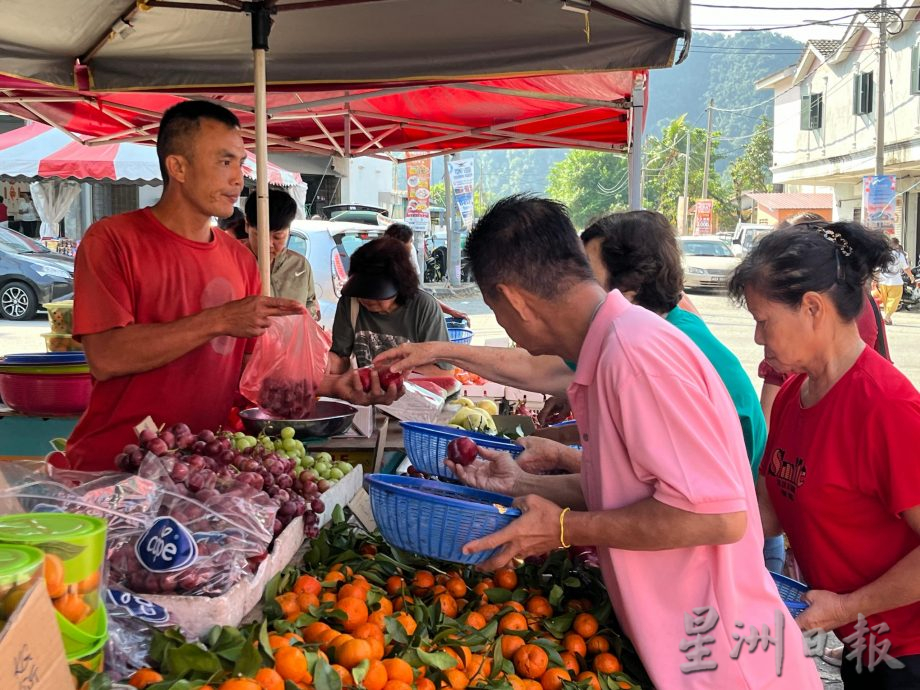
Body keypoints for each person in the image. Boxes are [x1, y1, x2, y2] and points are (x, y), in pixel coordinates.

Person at [401, 196, 823, 688]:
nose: (505, 326)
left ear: (513, 299)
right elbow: (641, 495)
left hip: (727, 665)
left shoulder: (633, 355)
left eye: (497, 309)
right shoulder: (612, 349)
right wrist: (516, 484)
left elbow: (718, 516)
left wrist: (564, 528)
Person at [66, 101, 394, 472]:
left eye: (240, 163)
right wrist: (217, 320)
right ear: (179, 167)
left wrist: (335, 386)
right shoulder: (112, 241)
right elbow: (107, 356)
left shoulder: (239, 260)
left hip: (205, 470)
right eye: (224, 162)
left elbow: (255, 372)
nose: (239, 179)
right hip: (115, 466)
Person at [729, 220, 920, 688]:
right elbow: (769, 512)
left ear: (812, 308)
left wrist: (843, 607)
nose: (757, 338)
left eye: (763, 320)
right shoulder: (795, 393)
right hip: (862, 639)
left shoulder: (887, 409)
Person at [328, 237, 451, 376]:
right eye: (360, 290)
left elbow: (443, 372)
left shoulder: (423, 307)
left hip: (416, 394)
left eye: (375, 292)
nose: (365, 298)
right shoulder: (350, 302)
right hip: (369, 394)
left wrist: (390, 373)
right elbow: (340, 359)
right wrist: (325, 363)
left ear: (400, 285)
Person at [244, 189, 320, 320]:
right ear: (247, 226)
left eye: (278, 237)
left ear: (289, 231)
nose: (268, 244)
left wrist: (309, 315)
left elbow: (310, 302)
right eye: (260, 236)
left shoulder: (300, 265)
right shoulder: (231, 262)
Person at [384, 222, 469, 322]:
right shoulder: (379, 265)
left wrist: (450, 311)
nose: (411, 246)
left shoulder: (408, 255)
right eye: (410, 242)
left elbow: (416, 291)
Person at [877, 240, 910, 326]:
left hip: (882, 281)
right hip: (895, 282)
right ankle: (887, 317)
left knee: (886, 301)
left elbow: (877, 267)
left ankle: (888, 319)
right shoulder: (899, 255)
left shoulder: (882, 253)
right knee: (894, 301)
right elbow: (906, 268)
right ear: (896, 245)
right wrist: (911, 276)